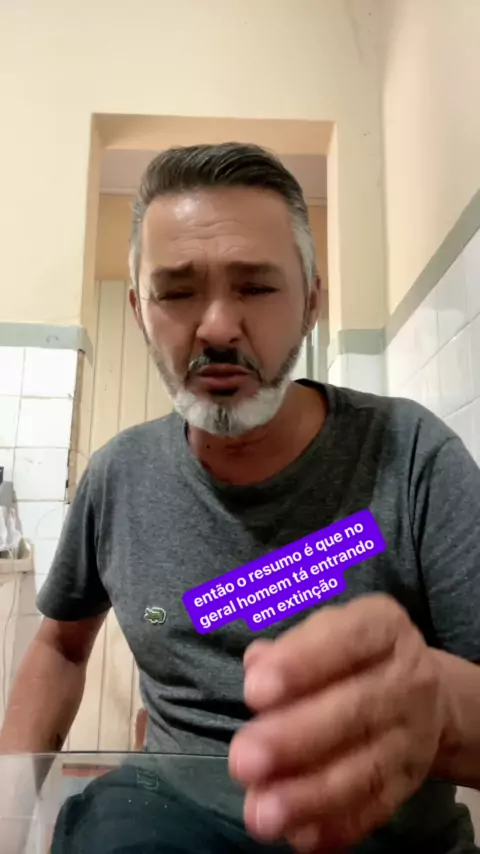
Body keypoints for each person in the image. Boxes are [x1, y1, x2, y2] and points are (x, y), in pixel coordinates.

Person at [1, 142, 480, 854]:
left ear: (311, 301)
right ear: (139, 311)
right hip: (160, 823)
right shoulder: (118, 475)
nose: (219, 326)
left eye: (256, 287)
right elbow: (62, 649)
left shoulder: (414, 458)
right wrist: (8, 803)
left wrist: (441, 711)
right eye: (176, 292)